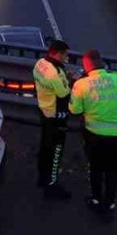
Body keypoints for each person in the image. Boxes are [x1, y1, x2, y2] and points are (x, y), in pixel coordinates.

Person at [69, 49, 117, 220]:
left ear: (87, 66)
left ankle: (96, 200)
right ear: (102, 63)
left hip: (94, 134)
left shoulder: (82, 84)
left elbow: (75, 109)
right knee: (112, 169)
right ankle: (110, 203)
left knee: (96, 168)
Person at [33, 39, 73, 200]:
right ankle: (52, 186)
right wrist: (72, 80)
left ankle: (42, 178)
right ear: (58, 53)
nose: (66, 59)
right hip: (57, 117)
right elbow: (64, 94)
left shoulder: (40, 64)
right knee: (56, 152)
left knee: (45, 148)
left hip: (44, 111)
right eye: (65, 55)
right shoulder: (54, 72)